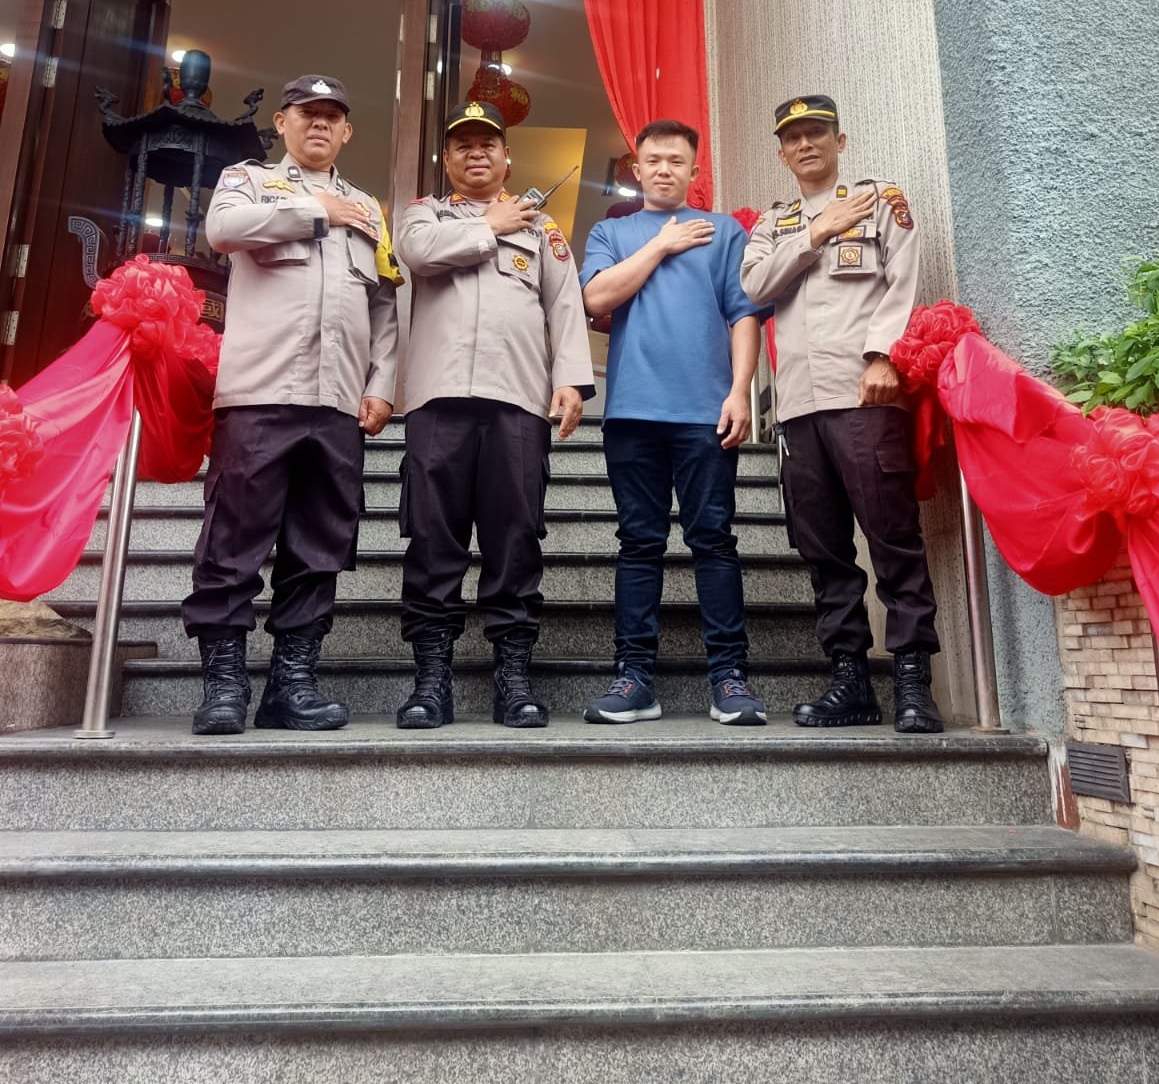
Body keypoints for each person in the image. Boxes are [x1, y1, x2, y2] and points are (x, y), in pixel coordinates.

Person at [182, 74, 401, 736]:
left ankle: (291, 686)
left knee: (320, 546)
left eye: (332, 116)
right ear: (282, 122)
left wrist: (382, 383)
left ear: (348, 131)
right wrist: (315, 211)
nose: (319, 124)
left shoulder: (368, 209)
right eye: (307, 114)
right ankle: (224, 686)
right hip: (260, 394)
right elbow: (223, 229)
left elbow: (385, 304)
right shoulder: (247, 181)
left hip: (338, 404)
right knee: (233, 542)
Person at [740, 94, 943, 734]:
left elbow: (903, 282)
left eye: (817, 132)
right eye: (793, 137)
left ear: (840, 140)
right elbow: (754, 286)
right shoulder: (773, 224)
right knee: (823, 549)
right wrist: (817, 232)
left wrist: (884, 355)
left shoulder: (881, 200)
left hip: (864, 396)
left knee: (892, 539)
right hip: (799, 408)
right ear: (781, 153)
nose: (806, 144)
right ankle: (850, 680)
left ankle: (913, 681)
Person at [395, 99, 594, 730]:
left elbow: (565, 307)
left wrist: (570, 381)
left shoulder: (543, 229)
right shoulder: (424, 215)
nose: (476, 153)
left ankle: (513, 676)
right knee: (433, 539)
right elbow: (418, 255)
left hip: (517, 403)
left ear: (507, 157)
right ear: (446, 158)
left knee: (515, 538)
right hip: (438, 401)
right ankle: (431, 680)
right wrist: (491, 224)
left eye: (488, 144)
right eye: (463, 144)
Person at [579, 119, 766, 727]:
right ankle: (634, 678)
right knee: (639, 544)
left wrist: (740, 392)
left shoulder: (725, 231)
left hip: (705, 413)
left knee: (713, 540)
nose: (664, 169)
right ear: (636, 169)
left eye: (676, 161)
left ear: (693, 170)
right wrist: (660, 245)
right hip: (633, 412)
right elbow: (596, 298)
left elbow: (743, 315)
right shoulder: (611, 232)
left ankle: (729, 678)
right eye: (653, 160)